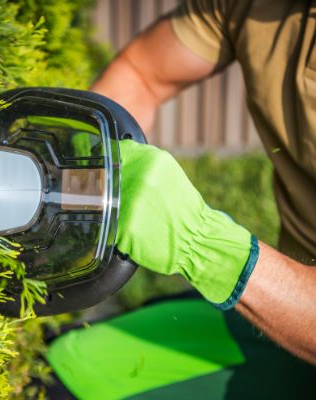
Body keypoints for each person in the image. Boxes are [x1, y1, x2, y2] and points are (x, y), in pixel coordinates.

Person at [46, 1, 316, 398]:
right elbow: (144, 73)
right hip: (277, 300)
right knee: (62, 369)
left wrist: (205, 247)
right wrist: (89, 173)